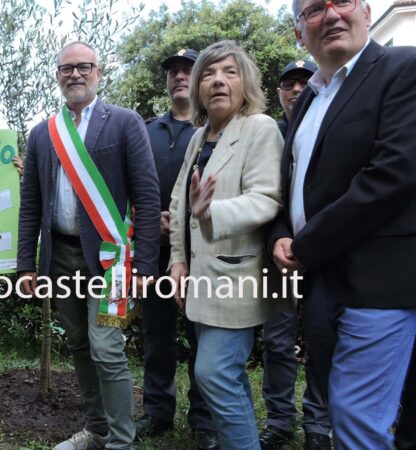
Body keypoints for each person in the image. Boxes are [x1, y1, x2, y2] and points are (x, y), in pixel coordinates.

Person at [270, 0, 416, 448]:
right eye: (314, 9)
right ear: (299, 32)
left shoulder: (402, 66)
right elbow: (294, 184)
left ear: (367, 13)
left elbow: (395, 172)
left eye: (343, 2)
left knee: (355, 416)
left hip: (381, 280)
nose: (331, 15)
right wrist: (280, 233)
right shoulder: (309, 98)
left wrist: (306, 243)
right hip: (322, 281)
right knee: (342, 406)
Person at [18, 41, 160, 450]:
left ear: (99, 72)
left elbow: (148, 198)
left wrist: (145, 268)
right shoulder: (42, 134)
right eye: (66, 69)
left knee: (106, 349)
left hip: (111, 259)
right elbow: (31, 204)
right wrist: (27, 263)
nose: (75, 74)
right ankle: (96, 428)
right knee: (78, 342)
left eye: (84, 67)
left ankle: (120, 441)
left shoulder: (125, 123)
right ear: (57, 76)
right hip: (60, 255)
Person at [167, 40, 289, 450]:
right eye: (209, 73)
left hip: (236, 277)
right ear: (199, 86)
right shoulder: (199, 136)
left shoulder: (260, 128)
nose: (218, 80)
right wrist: (178, 261)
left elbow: (267, 198)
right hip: (199, 279)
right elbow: (179, 201)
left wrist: (211, 214)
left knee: (214, 374)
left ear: (246, 82)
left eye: (229, 72)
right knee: (226, 375)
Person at [137, 48, 218, 450]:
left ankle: (204, 419)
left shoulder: (216, 130)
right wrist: (147, 217)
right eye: (173, 71)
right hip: (154, 253)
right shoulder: (147, 131)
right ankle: (156, 411)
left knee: (202, 336)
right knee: (157, 337)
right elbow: (128, 184)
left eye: (188, 69)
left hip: (201, 251)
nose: (180, 76)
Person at [259, 58, 320, 450]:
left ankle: (319, 424)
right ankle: (280, 420)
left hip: (329, 252)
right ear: (278, 93)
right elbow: (268, 200)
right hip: (280, 255)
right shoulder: (271, 138)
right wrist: (278, 237)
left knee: (325, 337)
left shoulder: (331, 128)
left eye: (304, 82)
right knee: (278, 341)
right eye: (288, 84)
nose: (296, 90)